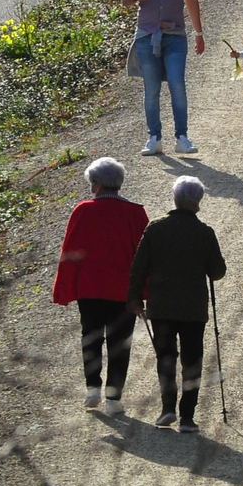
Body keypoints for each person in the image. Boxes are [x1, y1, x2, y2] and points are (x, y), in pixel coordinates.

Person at [127, 175, 226, 432]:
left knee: (166, 358)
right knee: (192, 361)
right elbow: (217, 272)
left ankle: (167, 409)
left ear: (175, 198)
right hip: (193, 309)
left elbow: (138, 269)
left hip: (162, 308)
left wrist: (135, 300)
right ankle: (187, 418)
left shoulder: (156, 229)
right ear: (198, 202)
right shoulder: (205, 233)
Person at [51, 156, 149, 411]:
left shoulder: (82, 210)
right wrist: (145, 291)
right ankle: (113, 399)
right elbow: (144, 257)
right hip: (123, 291)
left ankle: (92, 387)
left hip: (89, 289)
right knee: (120, 344)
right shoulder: (135, 213)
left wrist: (63, 288)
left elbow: (69, 250)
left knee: (91, 338)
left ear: (96, 184)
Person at [120, 0, 204, 156]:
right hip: (147, 36)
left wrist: (198, 33)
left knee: (177, 84)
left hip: (175, 35)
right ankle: (154, 137)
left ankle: (182, 137)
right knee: (151, 89)